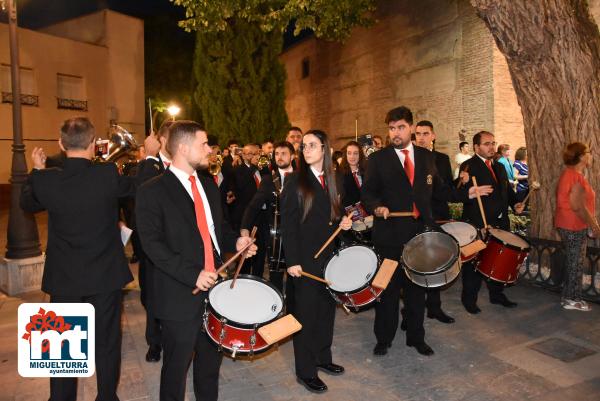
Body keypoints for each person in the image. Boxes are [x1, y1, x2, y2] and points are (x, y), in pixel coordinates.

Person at [20, 117, 158, 401]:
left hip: (64, 280)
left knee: (61, 348)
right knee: (106, 343)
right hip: (104, 277)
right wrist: (150, 155)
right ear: (94, 144)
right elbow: (141, 185)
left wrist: (36, 170)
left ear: (60, 143)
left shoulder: (46, 179)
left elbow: (28, 203)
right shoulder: (106, 175)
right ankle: (106, 397)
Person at [135, 120, 256, 401]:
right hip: (178, 293)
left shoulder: (209, 186)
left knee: (210, 366)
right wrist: (193, 274)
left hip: (215, 292)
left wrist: (236, 242)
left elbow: (217, 231)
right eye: (203, 145)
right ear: (183, 147)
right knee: (176, 369)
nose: (210, 150)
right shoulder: (153, 190)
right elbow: (152, 246)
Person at [361, 107, 490, 358]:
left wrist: (467, 194)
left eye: (400, 127)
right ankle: (384, 338)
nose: (395, 133)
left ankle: (416, 337)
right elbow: (367, 193)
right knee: (387, 290)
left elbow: (441, 191)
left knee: (416, 290)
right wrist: (377, 207)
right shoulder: (378, 159)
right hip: (389, 236)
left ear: (410, 128)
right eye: (391, 128)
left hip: (420, 236)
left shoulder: (426, 157)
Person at [281, 130, 352, 393]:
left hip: (329, 258)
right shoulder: (295, 181)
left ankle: (323, 359)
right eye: (304, 146)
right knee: (306, 316)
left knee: (326, 313)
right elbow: (288, 225)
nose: (306, 149)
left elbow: (335, 211)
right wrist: (292, 261)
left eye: (312, 145)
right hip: (305, 261)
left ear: (325, 148)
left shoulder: (334, 178)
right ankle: (305, 370)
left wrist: (344, 220)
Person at [458, 131, 524, 314]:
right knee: (473, 264)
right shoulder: (468, 166)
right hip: (478, 224)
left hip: (500, 224)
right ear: (476, 147)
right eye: (487, 144)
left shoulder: (499, 166)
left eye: (493, 143)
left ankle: (497, 295)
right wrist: (462, 182)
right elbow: (459, 189)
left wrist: (515, 202)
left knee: (498, 261)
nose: (491, 147)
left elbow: (507, 191)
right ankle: (469, 300)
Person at [135, 119, 174, 363]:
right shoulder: (147, 166)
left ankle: (173, 338)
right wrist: (149, 158)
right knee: (153, 296)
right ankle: (154, 342)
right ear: (161, 140)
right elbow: (140, 191)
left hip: (178, 246)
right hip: (153, 247)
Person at [412, 120, 456, 325]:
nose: (421, 137)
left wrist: (463, 187)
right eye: (418, 133)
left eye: (425, 133)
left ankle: (434, 308)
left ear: (433, 136)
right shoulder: (409, 158)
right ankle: (412, 311)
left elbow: (445, 189)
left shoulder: (442, 159)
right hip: (417, 219)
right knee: (417, 264)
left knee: (437, 263)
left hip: (437, 216)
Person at [241, 141, 295, 293]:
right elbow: (253, 207)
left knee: (295, 280)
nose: (279, 157)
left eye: (284, 153)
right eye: (277, 154)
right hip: (275, 238)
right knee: (276, 279)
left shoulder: (301, 178)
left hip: (297, 238)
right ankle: (277, 312)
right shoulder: (268, 180)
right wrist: (244, 229)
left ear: (293, 156)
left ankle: (293, 313)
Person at [555, 142, 600, 311]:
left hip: (571, 223)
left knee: (573, 261)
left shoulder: (572, 174)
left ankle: (568, 297)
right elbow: (577, 206)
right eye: (588, 152)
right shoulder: (574, 176)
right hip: (573, 225)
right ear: (581, 156)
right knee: (576, 262)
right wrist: (594, 225)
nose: (591, 155)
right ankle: (572, 299)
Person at [231, 143, 268, 277]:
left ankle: (258, 278)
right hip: (245, 216)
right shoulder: (238, 170)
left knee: (260, 250)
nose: (255, 156)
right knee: (245, 253)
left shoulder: (261, 170)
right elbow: (240, 187)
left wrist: (261, 167)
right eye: (251, 153)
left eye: (256, 153)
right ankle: (241, 278)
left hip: (262, 215)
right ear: (244, 155)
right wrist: (252, 166)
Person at [338, 140, 367, 207]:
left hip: (369, 212)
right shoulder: (340, 174)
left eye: (355, 153)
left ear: (360, 155)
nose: (352, 156)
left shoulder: (367, 171)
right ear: (346, 155)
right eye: (349, 153)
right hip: (350, 214)